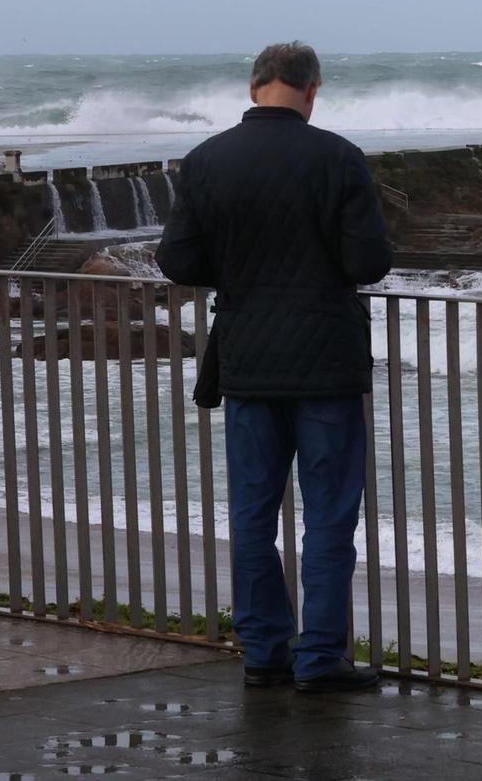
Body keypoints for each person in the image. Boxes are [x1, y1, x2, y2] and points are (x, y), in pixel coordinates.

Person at [156, 42, 392, 692]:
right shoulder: (338, 158)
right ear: (311, 90)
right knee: (330, 514)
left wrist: (238, 270)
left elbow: (176, 260)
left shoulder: (207, 161)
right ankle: (320, 657)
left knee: (253, 512)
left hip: (250, 362)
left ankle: (263, 651)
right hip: (327, 366)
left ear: (255, 85)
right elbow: (368, 261)